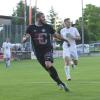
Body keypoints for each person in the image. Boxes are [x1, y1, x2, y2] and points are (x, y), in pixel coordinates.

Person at [22, 12, 70, 92]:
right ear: (38, 18)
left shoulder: (48, 27)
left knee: (48, 64)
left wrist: (65, 40)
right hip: (38, 52)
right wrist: (24, 39)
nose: (44, 19)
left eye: (44, 17)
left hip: (47, 49)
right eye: (43, 17)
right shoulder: (30, 27)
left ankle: (61, 83)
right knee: (48, 70)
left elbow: (56, 35)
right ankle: (60, 83)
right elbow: (25, 36)